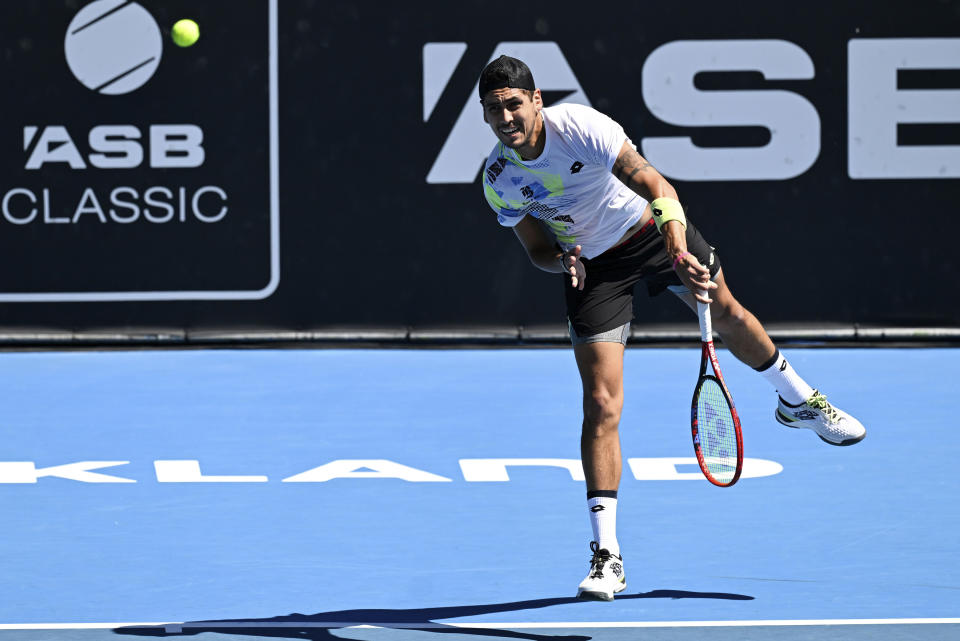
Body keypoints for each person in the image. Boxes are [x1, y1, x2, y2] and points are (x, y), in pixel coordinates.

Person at [478, 55, 867, 602]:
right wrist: (560, 260)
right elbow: (537, 248)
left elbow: (652, 181)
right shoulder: (499, 179)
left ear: (536, 99)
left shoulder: (581, 128)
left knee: (727, 311)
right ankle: (607, 558)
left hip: (652, 235)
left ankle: (797, 400)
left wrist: (677, 246)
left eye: (513, 103)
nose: (505, 117)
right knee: (601, 404)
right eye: (493, 110)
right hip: (594, 268)